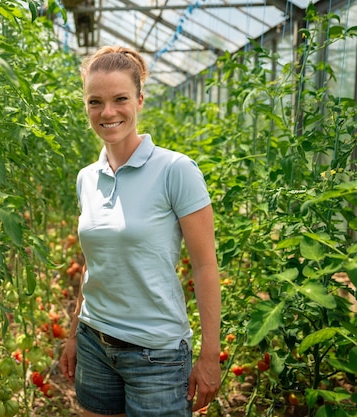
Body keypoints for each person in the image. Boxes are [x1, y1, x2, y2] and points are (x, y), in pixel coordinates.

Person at [60, 45, 222, 417]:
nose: (108, 112)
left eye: (120, 99)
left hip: (157, 355)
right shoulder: (87, 178)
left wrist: (210, 355)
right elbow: (94, 263)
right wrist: (74, 334)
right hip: (94, 343)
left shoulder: (175, 171)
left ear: (140, 100)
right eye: (94, 102)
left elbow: (205, 266)